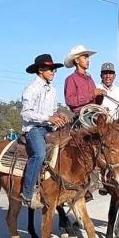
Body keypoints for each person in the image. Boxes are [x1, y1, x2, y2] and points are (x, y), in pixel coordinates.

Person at [20, 53, 68, 208]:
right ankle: (27, 193)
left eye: (54, 69)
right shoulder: (31, 88)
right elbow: (26, 113)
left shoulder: (52, 90)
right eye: (50, 69)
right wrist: (49, 118)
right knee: (39, 154)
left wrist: (58, 115)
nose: (53, 72)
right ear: (40, 70)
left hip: (48, 127)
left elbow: (52, 112)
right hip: (33, 128)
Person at [63, 45, 105, 117]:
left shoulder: (90, 79)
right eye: (85, 58)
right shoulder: (71, 79)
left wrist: (100, 96)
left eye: (88, 58)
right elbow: (69, 101)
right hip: (80, 116)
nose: (88, 60)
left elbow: (96, 102)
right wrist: (92, 95)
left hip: (93, 113)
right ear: (77, 60)